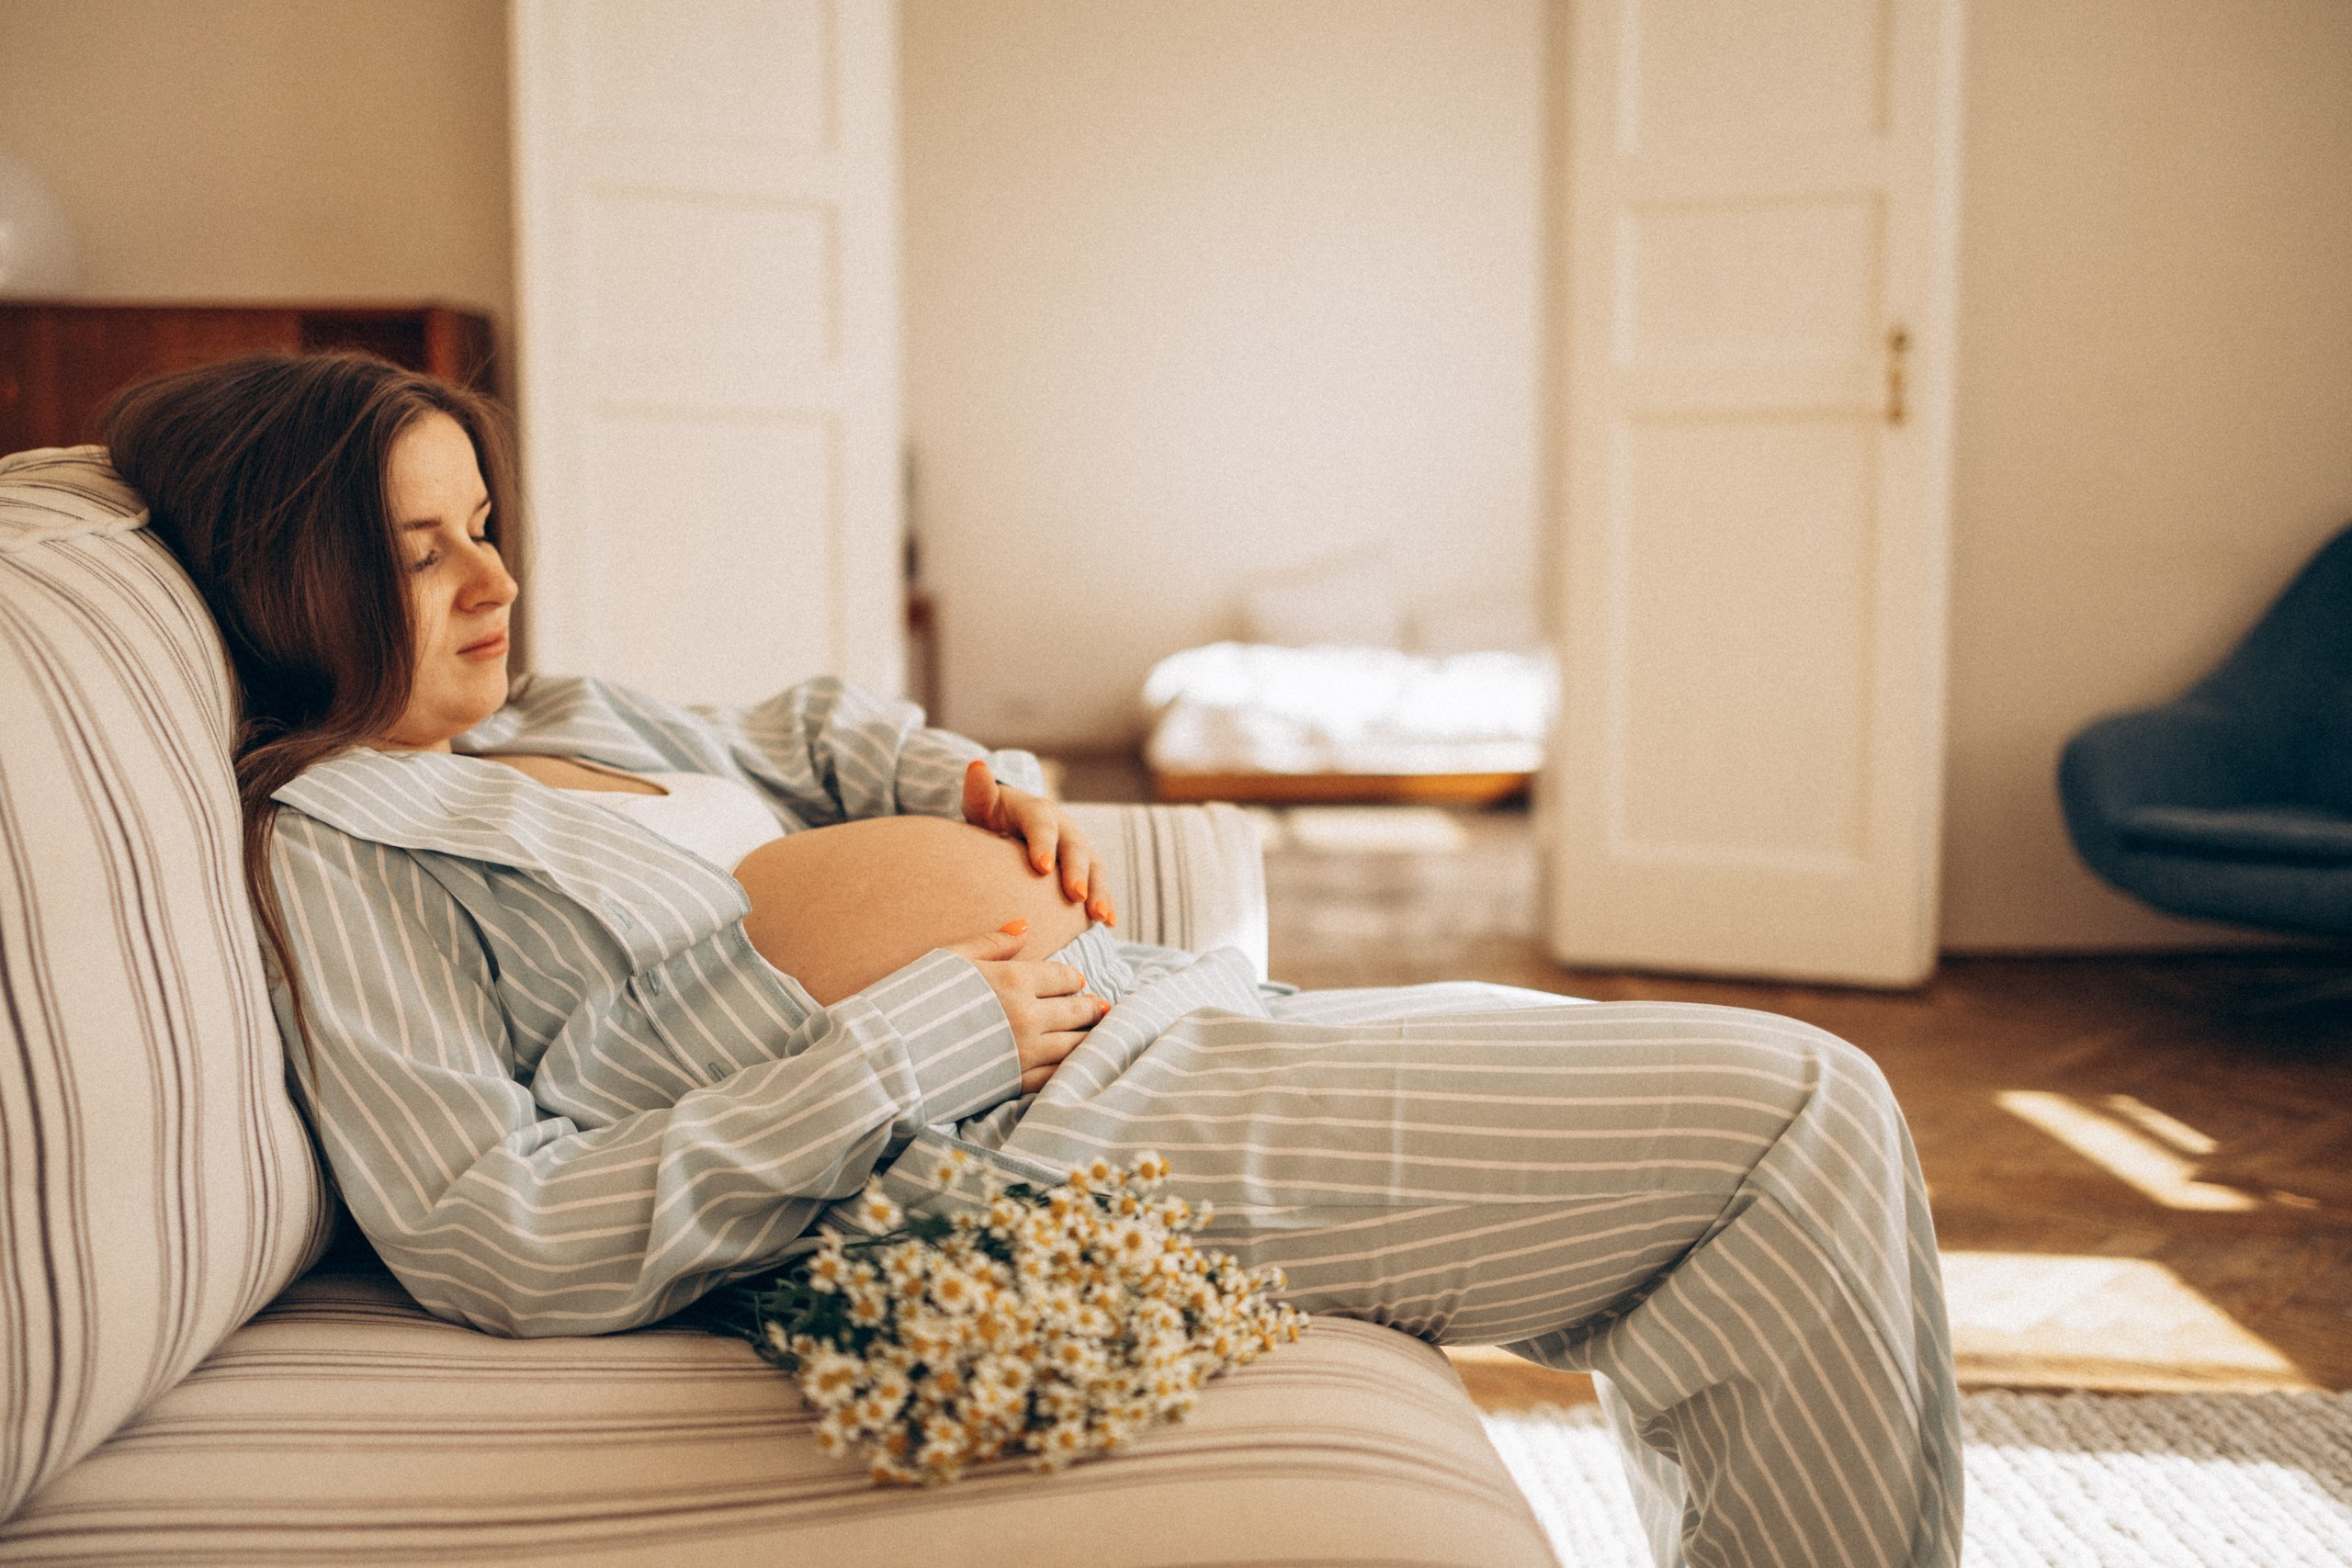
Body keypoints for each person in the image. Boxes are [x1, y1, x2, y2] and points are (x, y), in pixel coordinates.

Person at [107, 352, 1962, 1568]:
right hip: (1027, 1140)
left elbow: (815, 729)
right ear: (288, 581)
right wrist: (920, 1031)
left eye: (485, 526)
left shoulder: (562, 714)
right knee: (1793, 1114)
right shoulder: (348, 841)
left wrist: (962, 779)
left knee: (1778, 1169)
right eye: (416, 553)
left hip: (1159, 1021)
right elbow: (482, 1226)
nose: (491, 585)